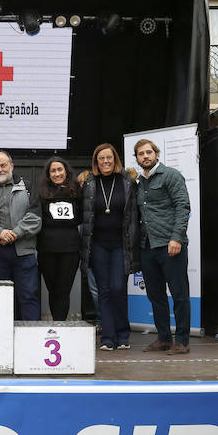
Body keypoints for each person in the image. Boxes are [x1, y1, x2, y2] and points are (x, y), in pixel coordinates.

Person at [133, 139, 191, 355]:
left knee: (179, 294)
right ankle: (164, 338)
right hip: (147, 246)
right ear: (137, 158)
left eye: (149, 152)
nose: (145, 156)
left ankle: (182, 341)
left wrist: (176, 237)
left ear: (156, 154)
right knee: (155, 295)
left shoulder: (171, 175)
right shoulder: (139, 182)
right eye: (141, 153)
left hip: (170, 245)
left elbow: (183, 206)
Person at [80, 143, 138, 350]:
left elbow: (134, 215)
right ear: (96, 162)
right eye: (100, 158)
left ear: (115, 159)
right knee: (103, 290)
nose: (105, 161)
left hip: (121, 244)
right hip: (97, 245)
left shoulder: (128, 181)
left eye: (108, 157)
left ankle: (123, 335)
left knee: (118, 288)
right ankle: (108, 337)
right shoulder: (88, 183)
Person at [0, 151, 42, 320]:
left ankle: (30, 338)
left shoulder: (28, 187)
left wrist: (15, 233)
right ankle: (1, 341)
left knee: (29, 296)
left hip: (24, 251)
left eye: (3, 165)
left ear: (11, 166)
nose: (0, 169)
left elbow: (35, 217)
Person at [37, 157, 82, 322]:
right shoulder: (41, 193)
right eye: (53, 171)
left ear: (66, 171)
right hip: (47, 248)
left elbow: (82, 216)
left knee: (64, 290)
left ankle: (60, 324)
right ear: (48, 175)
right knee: (52, 289)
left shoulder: (77, 191)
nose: (57, 173)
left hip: (70, 248)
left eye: (60, 170)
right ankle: (56, 323)